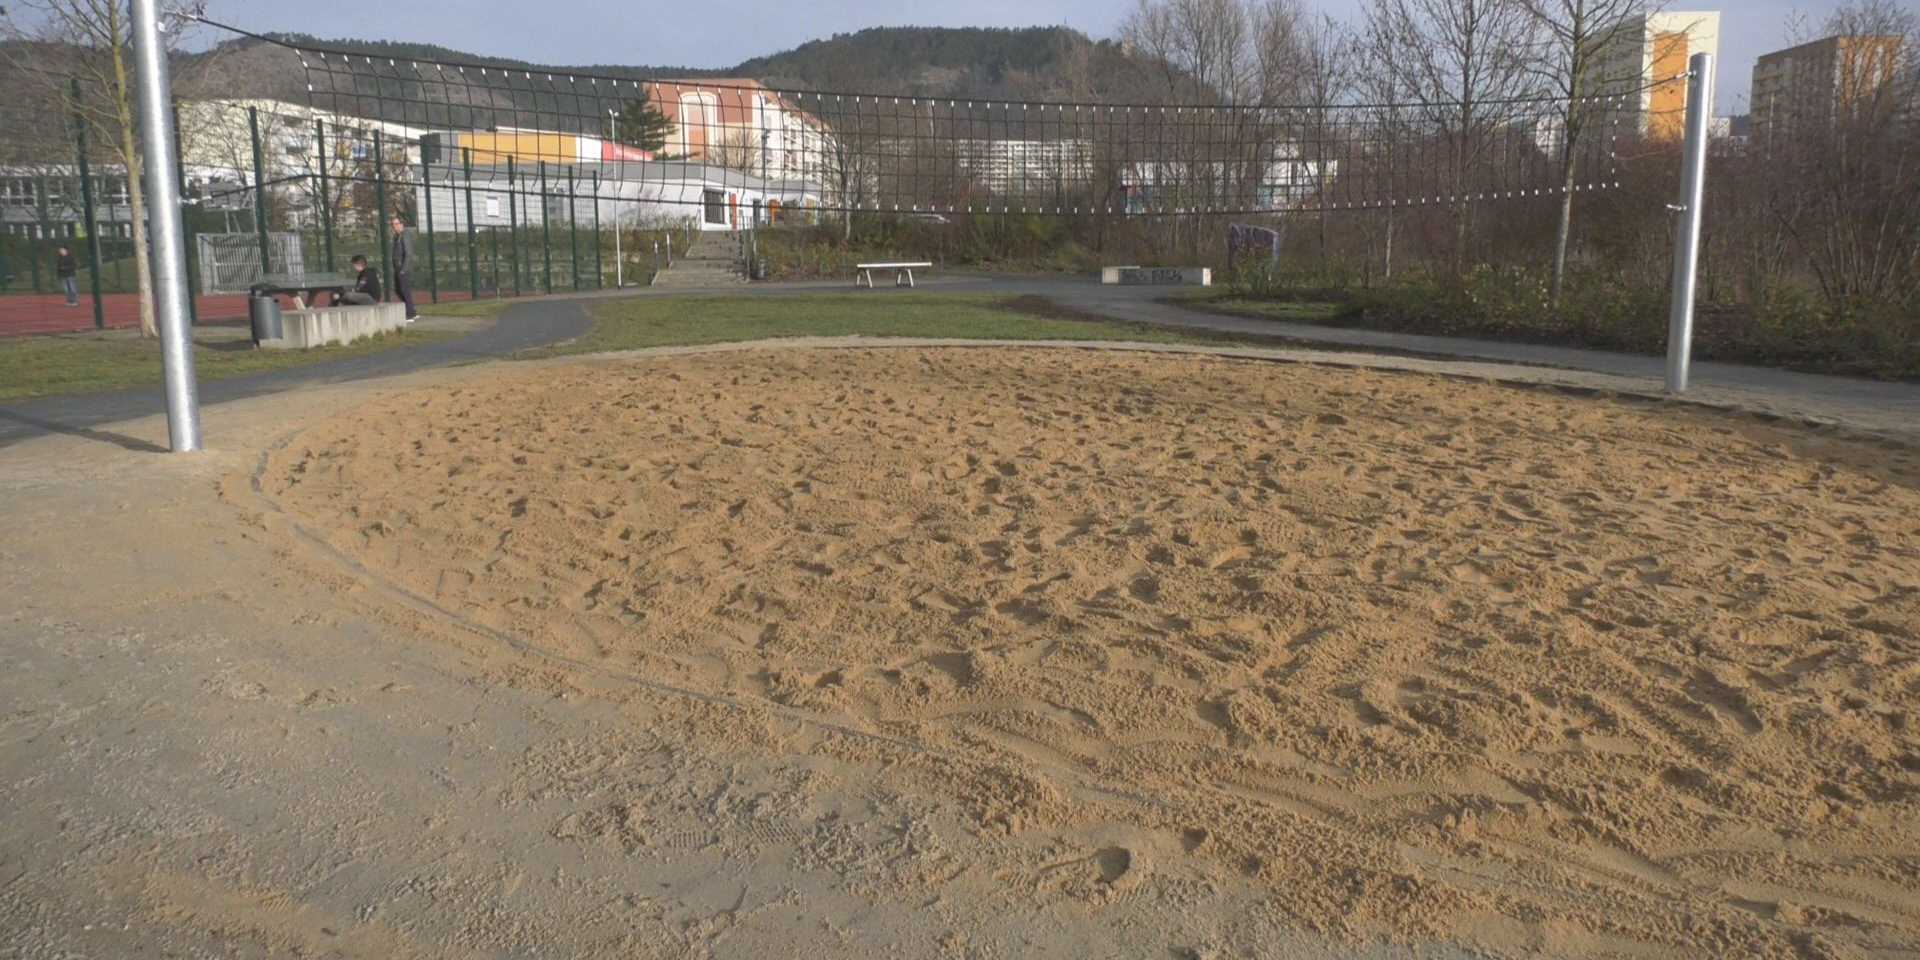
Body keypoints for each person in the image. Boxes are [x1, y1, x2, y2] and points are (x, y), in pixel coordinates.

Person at [389, 214, 418, 322]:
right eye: (393, 224)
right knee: (399, 290)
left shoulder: (405, 235)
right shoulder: (397, 236)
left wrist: (403, 269)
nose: (394, 226)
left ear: (402, 224)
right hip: (398, 267)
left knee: (404, 290)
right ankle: (411, 311)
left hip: (403, 268)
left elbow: (408, 253)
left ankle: (409, 313)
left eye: (396, 224)